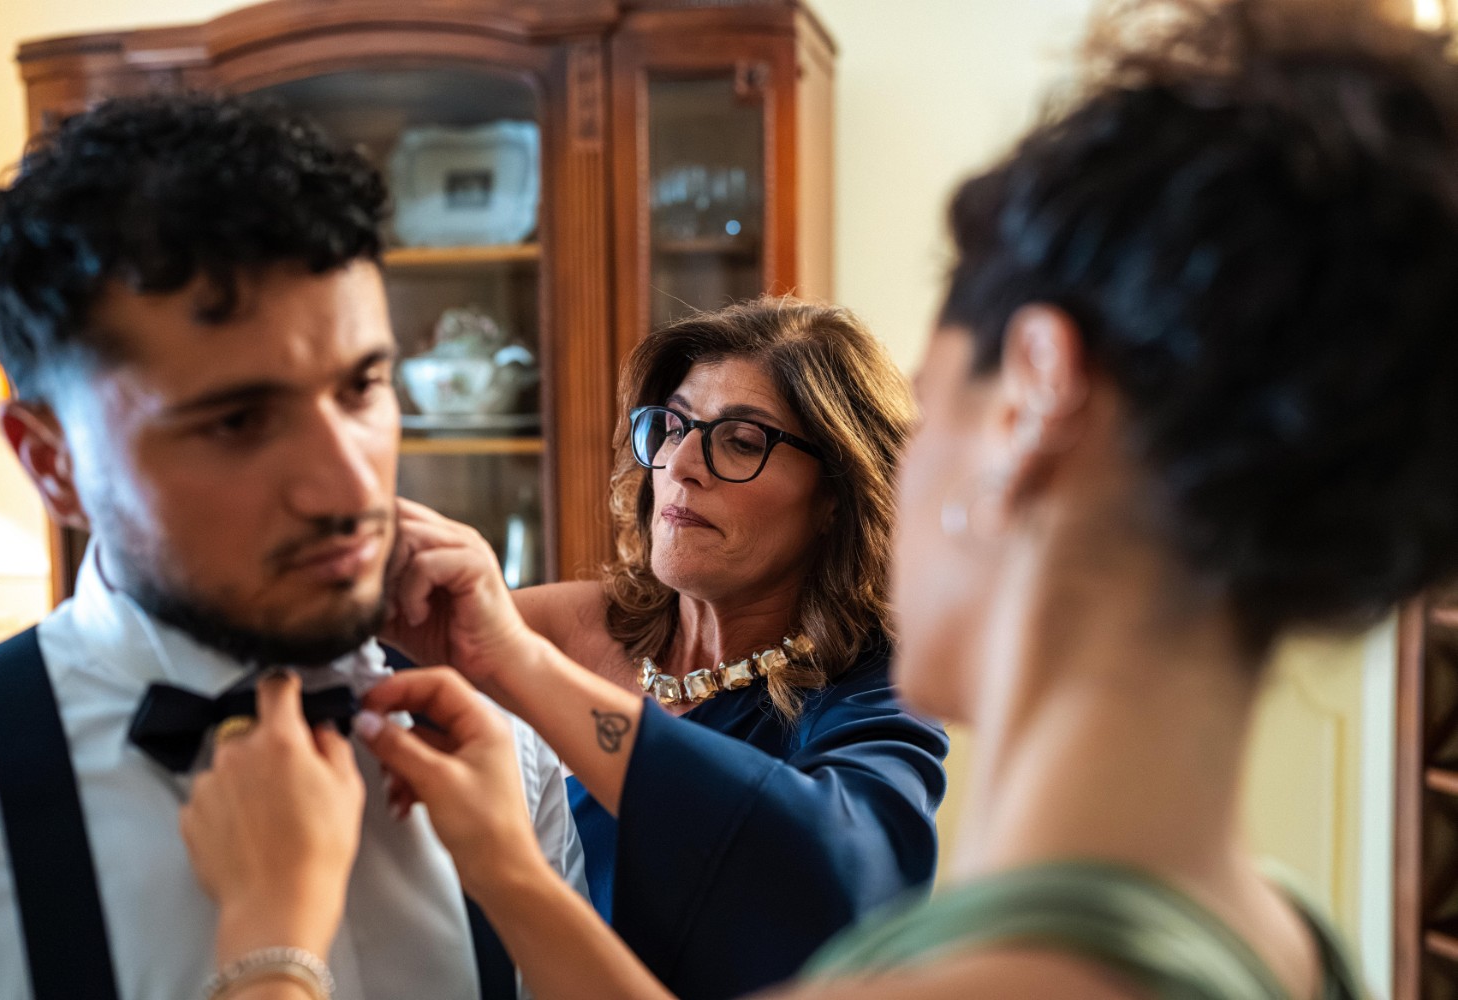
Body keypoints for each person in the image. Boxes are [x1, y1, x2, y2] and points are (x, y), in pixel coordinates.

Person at [179, 0, 1458, 994]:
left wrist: (269, 937)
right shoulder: (1286, 935)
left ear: (1032, 397)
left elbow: (825, 871)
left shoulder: (981, 967)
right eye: (672, 432)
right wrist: (511, 867)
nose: (684, 465)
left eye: (931, 405)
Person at [0, 92, 585, 1000]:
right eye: (240, 421)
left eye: (362, 387)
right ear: (54, 464)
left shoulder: (502, 745)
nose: (351, 486)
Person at [378, 298, 950, 999]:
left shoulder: (878, 687)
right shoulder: (566, 625)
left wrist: (529, 673)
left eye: (742, 441)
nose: (681, 463)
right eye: (673, 426)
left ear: (836, 495)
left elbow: (847, 881)